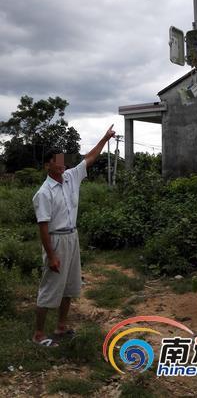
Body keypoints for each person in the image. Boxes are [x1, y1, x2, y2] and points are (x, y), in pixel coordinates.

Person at [32, 124, 115, 346]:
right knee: (50, 287)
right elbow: (43, 227)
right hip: (56, 240)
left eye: (62, 160)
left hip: (72, 237)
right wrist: (51, 256)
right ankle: (39, 334)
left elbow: (90, 157)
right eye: (56, 161)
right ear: (47, 165)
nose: (61, 164)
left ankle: (61, 326)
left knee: (69, 285)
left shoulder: (71, 177)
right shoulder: (43, 193)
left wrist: (105, 138)